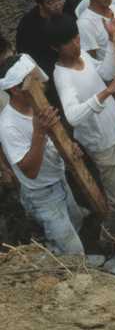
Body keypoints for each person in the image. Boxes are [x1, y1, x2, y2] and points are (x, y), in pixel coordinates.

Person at [46, 13, 115, 245]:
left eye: (76, 38)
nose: (76, 44)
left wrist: (112, 41)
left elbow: (104, 72)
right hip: (102, 144)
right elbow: (73, 116)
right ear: (55, 47)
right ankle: (106, 243)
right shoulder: (63, 76)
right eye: (69, 43)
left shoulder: (82, 54)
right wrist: (107, 91)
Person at [0, 54, 86, 254]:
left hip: (60, 180)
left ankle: (62, 248)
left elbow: (55, 140)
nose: (41, 84)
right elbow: (30, 172)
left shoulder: (36, 104)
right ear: (15, 90)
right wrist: (39, 132)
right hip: (42, 195)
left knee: (78, 221)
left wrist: (70, 147)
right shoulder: (8, 125)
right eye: (34, 81)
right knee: (73, 251)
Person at [16, 0, 78, 105]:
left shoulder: (67, 7)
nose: (58, 5)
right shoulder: (27, 28)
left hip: (76, 65)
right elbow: (30, 65)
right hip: (53, 83)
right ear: (40, 4)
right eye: (51, 2)